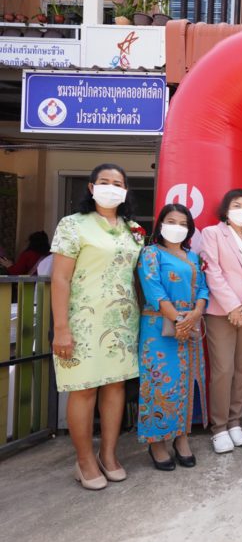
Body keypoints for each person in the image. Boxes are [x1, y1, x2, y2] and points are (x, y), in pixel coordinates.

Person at [50, 163, 144, 490]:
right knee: (85, 389)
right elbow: (60, 278)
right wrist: (61, 328)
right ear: (91, 188)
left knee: (115, 386)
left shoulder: (132, 229)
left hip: (121, 323)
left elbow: (136, 277)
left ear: (125, 191)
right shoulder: (73, 225)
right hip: (83, 322)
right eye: (104, 181)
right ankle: (84, 460)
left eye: (118, 183)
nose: (111, 187)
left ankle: (108, 454)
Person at [137, 204, 208, 471]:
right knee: (159, 383)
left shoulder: (193, 257)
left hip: (189, 326)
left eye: (183, 223)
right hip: (159, 329)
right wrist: (179, 320)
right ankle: (156, 442)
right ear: (160, 224)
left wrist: (195, 314)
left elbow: (203, 289)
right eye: (171, 221)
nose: (177, 227)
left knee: (185, 384)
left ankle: (181, 437)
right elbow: (153, 290)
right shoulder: (150, 254)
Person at [201, 189, 242, 454]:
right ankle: (219, 427)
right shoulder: (212, 234)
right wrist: (233, 307)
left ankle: (235, 421)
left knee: (241, 369)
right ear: (226, 209)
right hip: (222, 312)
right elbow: (212, 272)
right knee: (223, 370)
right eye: (237, 205)